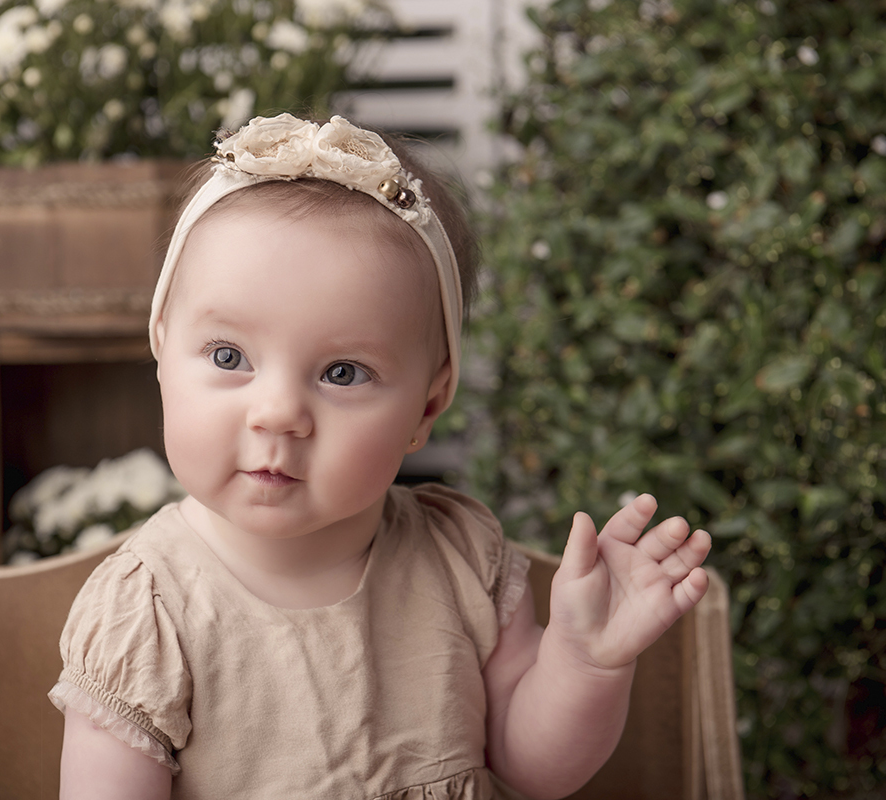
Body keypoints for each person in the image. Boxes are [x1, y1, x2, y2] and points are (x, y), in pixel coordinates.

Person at [51, 113, 712, 800]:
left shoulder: (459, 559)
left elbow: (531, 769)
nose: (277, 413)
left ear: (426, 408)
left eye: (342, 373)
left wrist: (585, 661)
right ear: (161, 352)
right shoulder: (147, 611)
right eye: (229, 357)